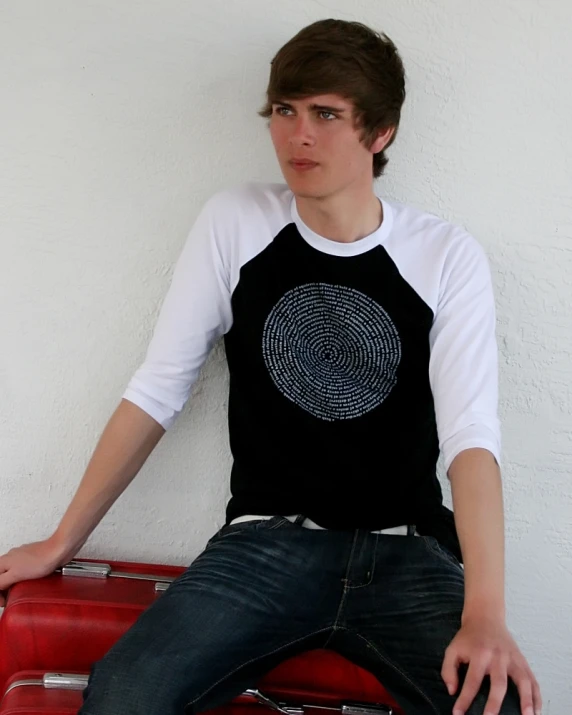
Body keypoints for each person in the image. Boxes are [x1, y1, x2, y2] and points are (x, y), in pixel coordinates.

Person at [0, 18, 541, 715]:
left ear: (381, 133)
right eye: (285, 111)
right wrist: (61, 540)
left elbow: (472, 438)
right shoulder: (236, 222)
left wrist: (487, 610)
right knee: (125, 695)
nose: (298, 135)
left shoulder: (445, 255)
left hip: (405, 554)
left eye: (326, 114)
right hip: (265, 546)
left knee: (497, 703)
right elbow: (158, 388)